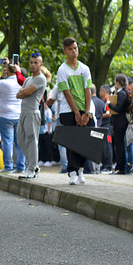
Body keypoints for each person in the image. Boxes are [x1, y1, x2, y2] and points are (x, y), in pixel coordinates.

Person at [56, 37, 94, 185]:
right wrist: (77, 114)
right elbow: (67, 92)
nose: (74, 51)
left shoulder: (85, 69)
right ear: (65, 51)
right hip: (68, 111)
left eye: (75, 48)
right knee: (71, 142)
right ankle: (72, 171)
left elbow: (88, 90)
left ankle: (81, 169)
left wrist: (86, 112)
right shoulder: (62, 70)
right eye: (70, 49)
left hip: (85, 110)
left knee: (86, 141)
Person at [0, 61, 25, 173]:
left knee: (7, 142)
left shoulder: (3, 83)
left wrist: (2, 77)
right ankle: (20, 167)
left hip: (5, 115)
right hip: (19, 115)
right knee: (19, 143)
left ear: (7, 71)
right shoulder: (22, 82)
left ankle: (8, 167)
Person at [17, 53, 46, 179]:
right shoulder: (28, 79)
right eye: (31, 62)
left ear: (41, 64)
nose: (33, 65)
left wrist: (25, 91)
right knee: (21, 140)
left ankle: (31, 168)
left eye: (36, 62)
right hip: (23, 113)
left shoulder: (41, 78)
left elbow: (27, 92)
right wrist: (24, 91)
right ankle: (34, 166)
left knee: (31, 141)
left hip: (32, 113)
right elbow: (19, 94)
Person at [107, 73, 129, 174]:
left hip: (120, 122)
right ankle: (120, 166)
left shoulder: (122, 94)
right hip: (119, 121)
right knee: (119, 144)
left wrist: (109, 104)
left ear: (118, 82)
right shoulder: (121, 93)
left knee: (119, 145)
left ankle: (121, 167)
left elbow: (118, 108)